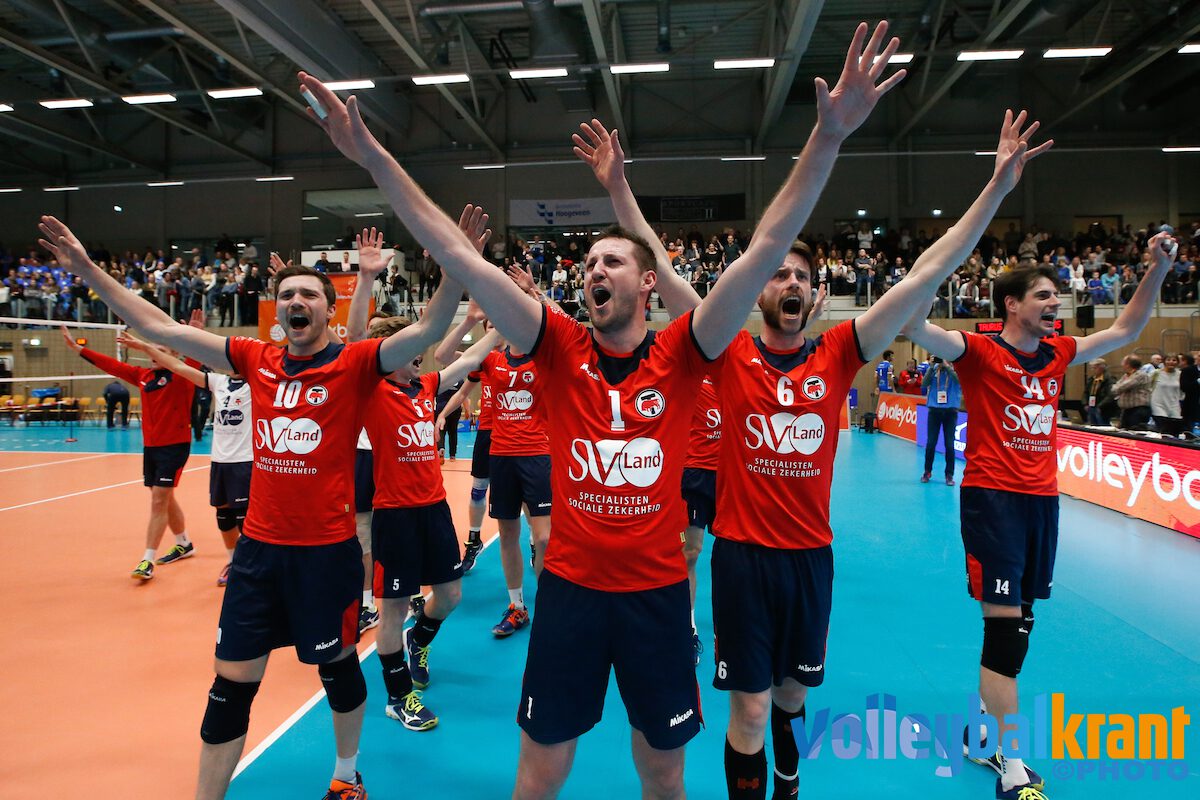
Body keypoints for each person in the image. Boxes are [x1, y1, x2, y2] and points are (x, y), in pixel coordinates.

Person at [300, 20, 905, 796]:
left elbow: (765, 249)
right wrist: (372, 156)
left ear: (648, 283)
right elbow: (455, 253)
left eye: (613, 259)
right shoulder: (554, 343)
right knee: (540, 768)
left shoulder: (686, 348)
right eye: (588, 261)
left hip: (657, 596)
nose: (595, 268)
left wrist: (828, 136)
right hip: (571, 595)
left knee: (663, 772)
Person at [38, 213, 476, 800]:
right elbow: (158, 324)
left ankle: (347, 777)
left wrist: (457, 264)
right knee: (230, 688)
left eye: (309, 294)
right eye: (287, 294)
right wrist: (88, 270)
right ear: (278, 311)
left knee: (338, 668)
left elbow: (429, 328)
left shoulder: (353, 365)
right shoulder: (253, 358)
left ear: (329, 311)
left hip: (326, 554)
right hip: (258, 555)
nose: (297, 301)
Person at [902, 228, 1175, 800]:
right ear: (1012, 304)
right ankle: (1012, 759)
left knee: (1022, 625)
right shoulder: (977, 350)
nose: (1056, 303)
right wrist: (938, 267)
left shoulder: (1060, 352)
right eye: (1044, 295)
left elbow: (1127, 330)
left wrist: (1156, 269)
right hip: (993, 502)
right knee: (1004, 630)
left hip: (1041, 503)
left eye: (1058, 296)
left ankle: (983, 733)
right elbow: (913, 325)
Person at [118, 318, 252, 587]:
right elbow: (177, 366)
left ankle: (251, 565)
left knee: (245, 519)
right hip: (220, 461)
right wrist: (145, 348)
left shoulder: (256, 384)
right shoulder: (217, 382)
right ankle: (233, 561)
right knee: (223, 516)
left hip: (246, 461)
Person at [62, 325, 194, 580]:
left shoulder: (182, 375)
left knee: (159, 499)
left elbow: (195, 358)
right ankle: (184, 543)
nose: (153, 354)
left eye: (160, 350)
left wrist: (192, 334)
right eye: (152, 349)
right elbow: (112, 366)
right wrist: (79, 349)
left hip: (174, 446)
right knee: (164, 497)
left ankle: (147, 560)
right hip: (151, 447)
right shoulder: (143, 376)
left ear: (174, 355)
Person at [921, 357, 961, 485]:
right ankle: (927, 471)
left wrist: (947, 366)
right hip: (934, 411)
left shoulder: (955, 370)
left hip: (950, 411)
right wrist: (931, 367)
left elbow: (959, 380)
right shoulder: (933, 370)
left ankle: (949, 474)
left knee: (949, 444)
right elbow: (924, 384)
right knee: (930, 443)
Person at [1112, 355, 1153, 429]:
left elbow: (1122, 387)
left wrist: (1118, 387)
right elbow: (1113, 389)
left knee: (1135, 431)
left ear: (1128, 364)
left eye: (1123, 362)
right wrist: (1117, 387)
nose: (1122, 365)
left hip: (1138, 410)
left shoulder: (1140, 375)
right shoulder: (1126, 375)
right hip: (1127, 410)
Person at [1149, 353, 1184, 434]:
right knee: (1162, 428)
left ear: (1177, 362)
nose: (1171, 362)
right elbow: (1147, 386)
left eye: (1174, 360)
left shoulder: (1180, 374)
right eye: (1168, 360)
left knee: (1174, 430)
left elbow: (1183, 390)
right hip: (1158, 405)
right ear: (1164, 361)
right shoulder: (1156, 373)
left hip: (1174, 405)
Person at [1082, 359, 1116, 426]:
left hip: (1102, 408)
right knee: (1092, 426)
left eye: (1095, 368)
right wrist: (1085, 403)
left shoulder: (1109, 379)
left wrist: (1100, 406)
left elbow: (1110, 395)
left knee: (1102, 427)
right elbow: (1086, 392)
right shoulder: (1091, 379)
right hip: (1091, 407)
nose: (1092, 370)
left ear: (1102, 368)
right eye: (1092, 368)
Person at [1180, 353, 1200, 433]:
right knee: (1189, 431)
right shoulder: (1188, 370)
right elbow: (1184, 387)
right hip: (1192, 406)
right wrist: (1197, 382)